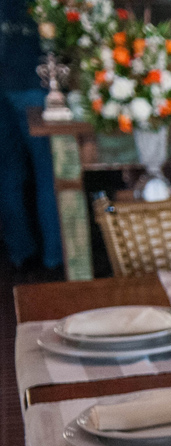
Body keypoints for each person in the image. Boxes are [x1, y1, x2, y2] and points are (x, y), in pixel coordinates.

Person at [0, 0, 65, 278]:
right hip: (32, 79)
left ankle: (21, 253)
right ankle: (55, 258)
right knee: (49, 170)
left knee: (8, 171)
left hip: (10, 76)